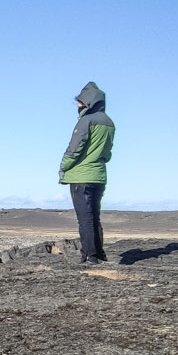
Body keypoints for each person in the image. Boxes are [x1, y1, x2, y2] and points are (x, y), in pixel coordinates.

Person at [59, 81, 115, 264]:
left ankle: (90, 256)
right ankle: (99, 253)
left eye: (80, 102)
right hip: (98, 176)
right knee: (94, 216)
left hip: (80, 177)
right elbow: (107, 153)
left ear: (89, 102)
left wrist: (63, 167)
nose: (77, 105)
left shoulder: (86, 121)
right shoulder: (109, 123)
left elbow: (74, 148)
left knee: (85, 218)